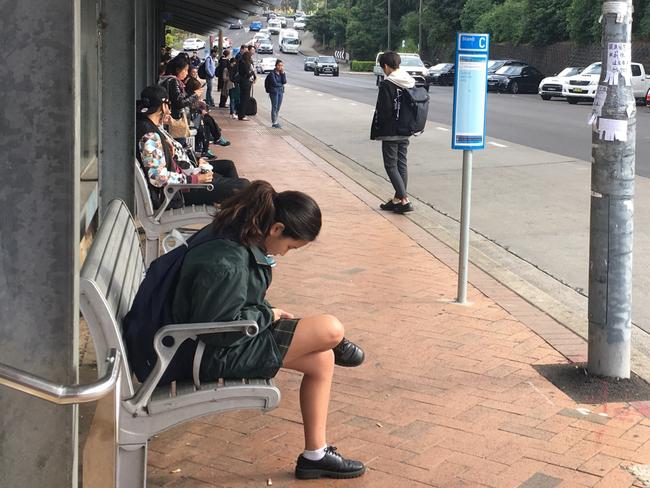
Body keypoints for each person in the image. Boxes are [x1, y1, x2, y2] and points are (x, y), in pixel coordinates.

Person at [168, 180, 366, 480]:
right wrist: (267, 314)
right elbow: (220, 331)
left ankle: (315, 455)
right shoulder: (228, 261)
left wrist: (267, 314)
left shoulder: (235, 238)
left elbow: (227, 311)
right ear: (275, 228)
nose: (286, 254)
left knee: (321, 359)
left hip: (209, 343)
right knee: (330, 328)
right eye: (290, 246)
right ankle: (338, 342)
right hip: (206, 353)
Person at [136, 85, 249, 209]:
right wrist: (195, 179)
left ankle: (235, 214)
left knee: (234, 179)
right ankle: (237, 216)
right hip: (177, 193)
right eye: (168, 105)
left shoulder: (151, 127)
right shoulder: (150, 135)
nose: (169, 110)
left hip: (181, 185)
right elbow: (158, 177)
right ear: (163, 106)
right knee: (243, 186)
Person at [371, 51, 415, 214]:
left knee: (390, 165)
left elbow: (384, 110)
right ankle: (397, 199)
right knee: (401, 163)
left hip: (390, 131)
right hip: (406, 129)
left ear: (387, 66)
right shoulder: (409, 81)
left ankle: (404, 199)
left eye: (383, 68)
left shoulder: (387, 84)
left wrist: (379, 126)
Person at [265, 59, 286, 128]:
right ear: (276, 66)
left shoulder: (281, 73)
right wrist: (280, 84)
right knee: (274, 106)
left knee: (278, 107)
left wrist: (283, 73)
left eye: (281, 65)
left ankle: (276, 121)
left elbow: (284, 82)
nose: (280, 67)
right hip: (274, 92)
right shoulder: (272, 74)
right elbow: (274, 83)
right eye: (279, 65)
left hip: (280, 91)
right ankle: (274, 122)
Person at [237, 50, 256, 121]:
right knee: (245, 99)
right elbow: (248, 74)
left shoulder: (241, 62)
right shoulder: (246, 64)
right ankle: (242, 115)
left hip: (242, 82)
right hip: (246, 83)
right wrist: (252, 72)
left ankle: (240, 114)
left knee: (242, 98)